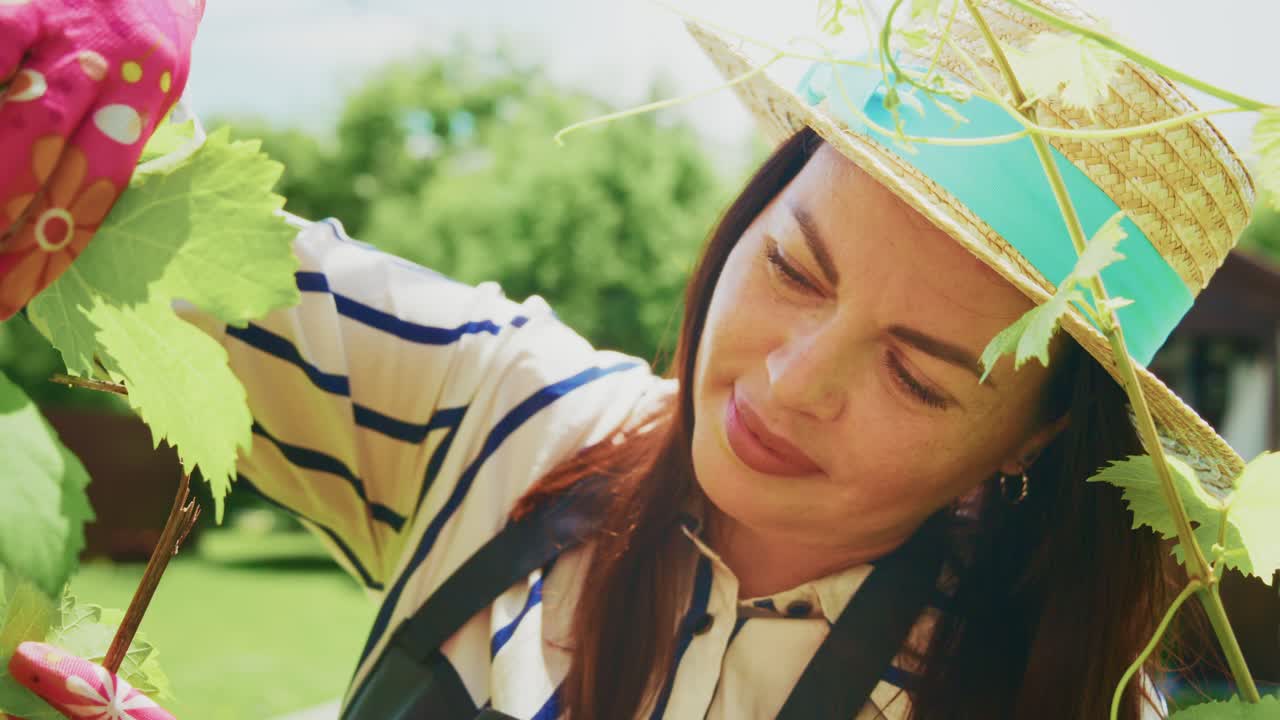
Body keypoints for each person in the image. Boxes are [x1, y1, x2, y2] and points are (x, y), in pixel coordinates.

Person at [0, 0, 1259, 718]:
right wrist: (84, 51)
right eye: (792, 269)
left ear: (1038, 436)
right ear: (744, 219)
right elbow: (143, 223)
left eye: (916, 375)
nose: (785, 383)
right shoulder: (500, 408)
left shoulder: (1044, 701)